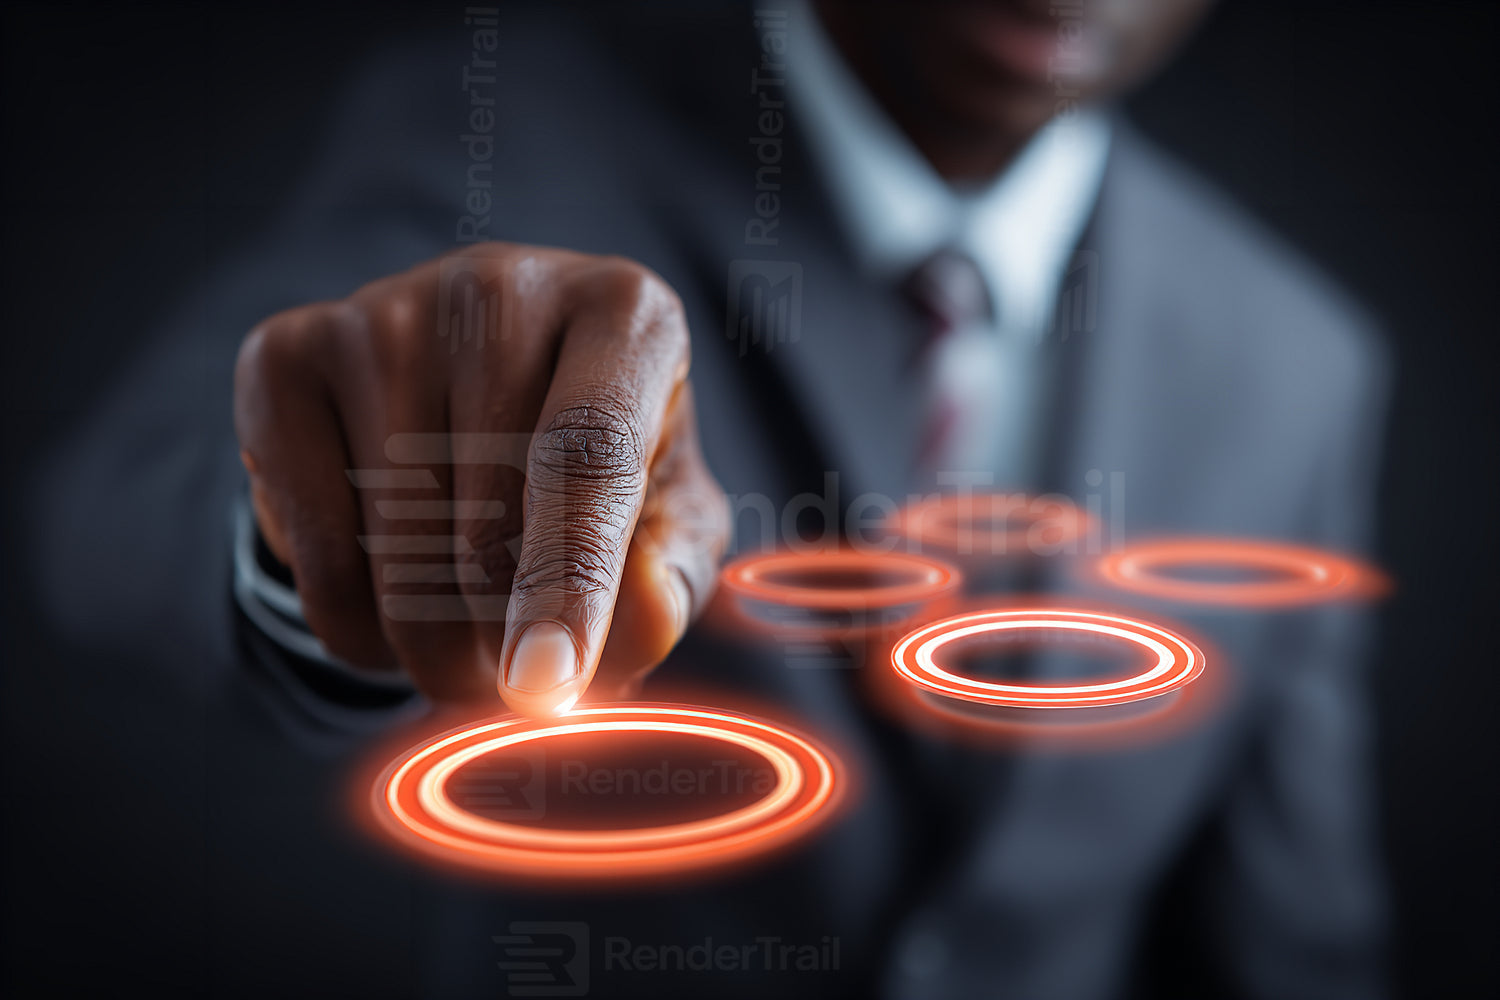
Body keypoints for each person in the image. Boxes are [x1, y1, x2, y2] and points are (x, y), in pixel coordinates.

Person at [27, 1, 1389, 996]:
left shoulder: (1295, 359)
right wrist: (349, 528)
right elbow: (123, 503)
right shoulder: (507, 120)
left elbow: (1291, 927)